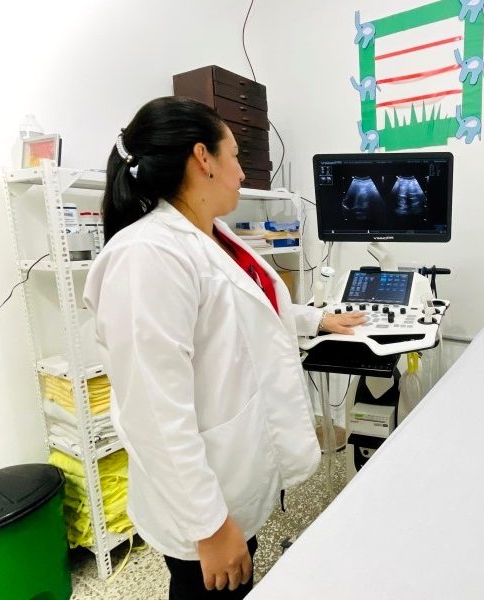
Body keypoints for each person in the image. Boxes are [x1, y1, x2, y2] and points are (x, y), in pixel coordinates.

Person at [83, 96, 365, 598]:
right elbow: (153, 412)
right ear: (203, 158)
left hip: (233, 479)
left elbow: (245, 311)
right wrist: (210, 526)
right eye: (234, 156)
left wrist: (317, 319)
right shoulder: (147, 257)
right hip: (200, 506)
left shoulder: (211, 234)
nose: (242, 172)